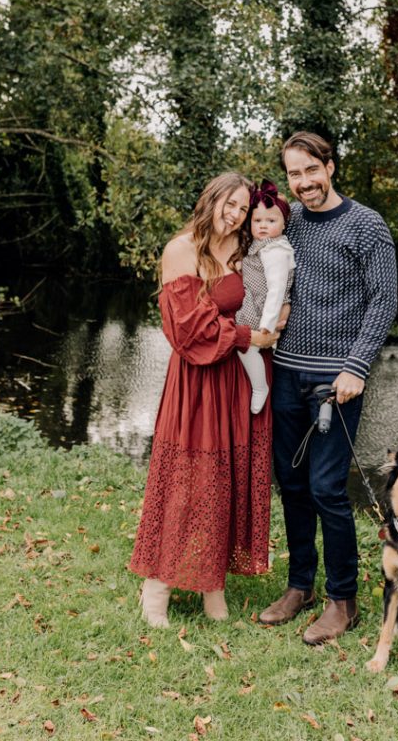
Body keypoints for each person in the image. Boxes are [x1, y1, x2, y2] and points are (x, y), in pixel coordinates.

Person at [259, 131, 397, 644]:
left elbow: (383, 301)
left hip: (335, 381)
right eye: (293, 174)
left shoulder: (366, 225)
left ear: (330, 167)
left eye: (309, 171)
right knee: (291, 486)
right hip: (286, 373)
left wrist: (357, 366)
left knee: (326, 489)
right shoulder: (288, 224)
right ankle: (300, 587)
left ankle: (343, 600)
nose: (303, 183)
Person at [129, 172, 278, 626]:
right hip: (197, 381)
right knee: (187, 481)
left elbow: (267, 289)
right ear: (211, 199)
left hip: (236, 380)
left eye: (242, 208)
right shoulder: (182, 250)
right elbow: (188, 330)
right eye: (228, 205)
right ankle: (157, 587)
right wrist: (250, 335)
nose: (234, 215)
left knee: (227, 478)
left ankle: (214, 587)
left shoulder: (241, 250)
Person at [237, 180, 295, 414]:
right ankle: (259, 385)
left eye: (271, 221)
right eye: (257, 221)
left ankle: (260, 387)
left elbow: (277, 289)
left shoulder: (276, 251)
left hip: (263, 306)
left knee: (244, 345)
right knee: (244, 344)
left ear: (283, 224)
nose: (263, 226)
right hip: (256, 299)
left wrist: (266, 326)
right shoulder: (262, 245)